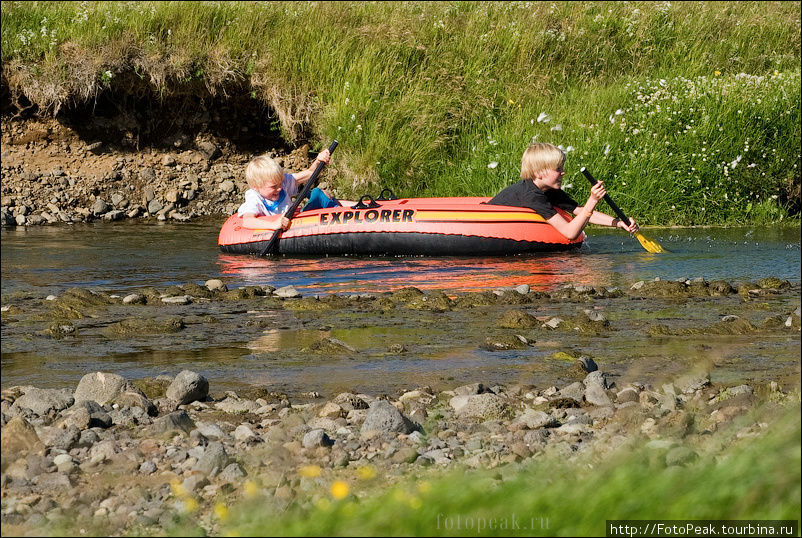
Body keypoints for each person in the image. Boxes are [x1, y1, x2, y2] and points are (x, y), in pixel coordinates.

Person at [488, 143, 638, 240]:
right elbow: (570, 233)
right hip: (491, 231)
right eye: (558, 169)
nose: (563, 172)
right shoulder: (531, 195)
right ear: (539, 172)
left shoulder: (548, 189)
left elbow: (578, 210)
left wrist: (619, 224)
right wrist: (592, 201)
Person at [237, 148, 338, 230]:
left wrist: (318, 161)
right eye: (273, 186)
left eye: (280, 183)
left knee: (319, 194)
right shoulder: (254, 197)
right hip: (278, 227)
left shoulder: (283, 183)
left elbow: (310, 174)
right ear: (256, 186)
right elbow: (248, 221)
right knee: (319, 195)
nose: (280, 188)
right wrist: (273, 225)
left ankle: (342, 208)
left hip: (294, 220)